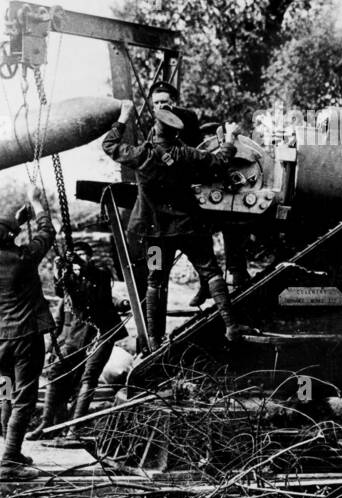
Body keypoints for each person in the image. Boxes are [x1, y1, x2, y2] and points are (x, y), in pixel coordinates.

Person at [102, 97, 243, 345]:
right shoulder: (186, 154)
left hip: (155, 235)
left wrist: (124, 117)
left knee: (155, 278)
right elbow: (220, 162)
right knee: (210, 271)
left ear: (155, 129)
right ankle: (231, 326)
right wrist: (230, 139)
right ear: (177, 132)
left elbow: (109, 144)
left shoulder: (140, 154)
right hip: (189, 229)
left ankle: (155, 340)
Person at [0, 186, 56, 479]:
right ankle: (9, 461)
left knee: (6, 395)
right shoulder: (24, 258)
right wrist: (36, 205)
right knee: (24, 398)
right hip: (25, 340)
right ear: (13, 237)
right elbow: (48, 233)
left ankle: (10, 451)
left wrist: (16, 221)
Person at [31, 243, 121, 437]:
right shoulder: (70, 280)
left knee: (89, 377)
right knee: (55, 372)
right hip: (77, 337)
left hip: (102, 333)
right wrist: (58, 270)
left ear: (90, 257)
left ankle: (74, 428)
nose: (78, 260)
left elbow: (97, 280)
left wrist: (77, 260)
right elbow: (59, 291)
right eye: (76, 257)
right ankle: (45, 424)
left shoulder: (101, 274)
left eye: (82, 256)